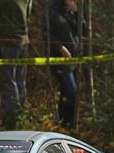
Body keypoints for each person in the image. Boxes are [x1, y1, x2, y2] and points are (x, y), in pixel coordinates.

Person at [0, 0, 32, 129]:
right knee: (20, 80)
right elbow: (28, 14)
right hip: (22, 40)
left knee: (8, 80)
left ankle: (11, 118)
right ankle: (22, 114)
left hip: (5, 39)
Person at [44, 0, 83, 128]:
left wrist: (76, 12)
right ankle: (70, 125)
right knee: (72, 93)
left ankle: (62, 124)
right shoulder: (52, 11)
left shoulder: (73, 10)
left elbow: (84, 30)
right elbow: (46, 34)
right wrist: (60, 48)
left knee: (66, 94)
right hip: (59, 60)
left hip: (75, 59)